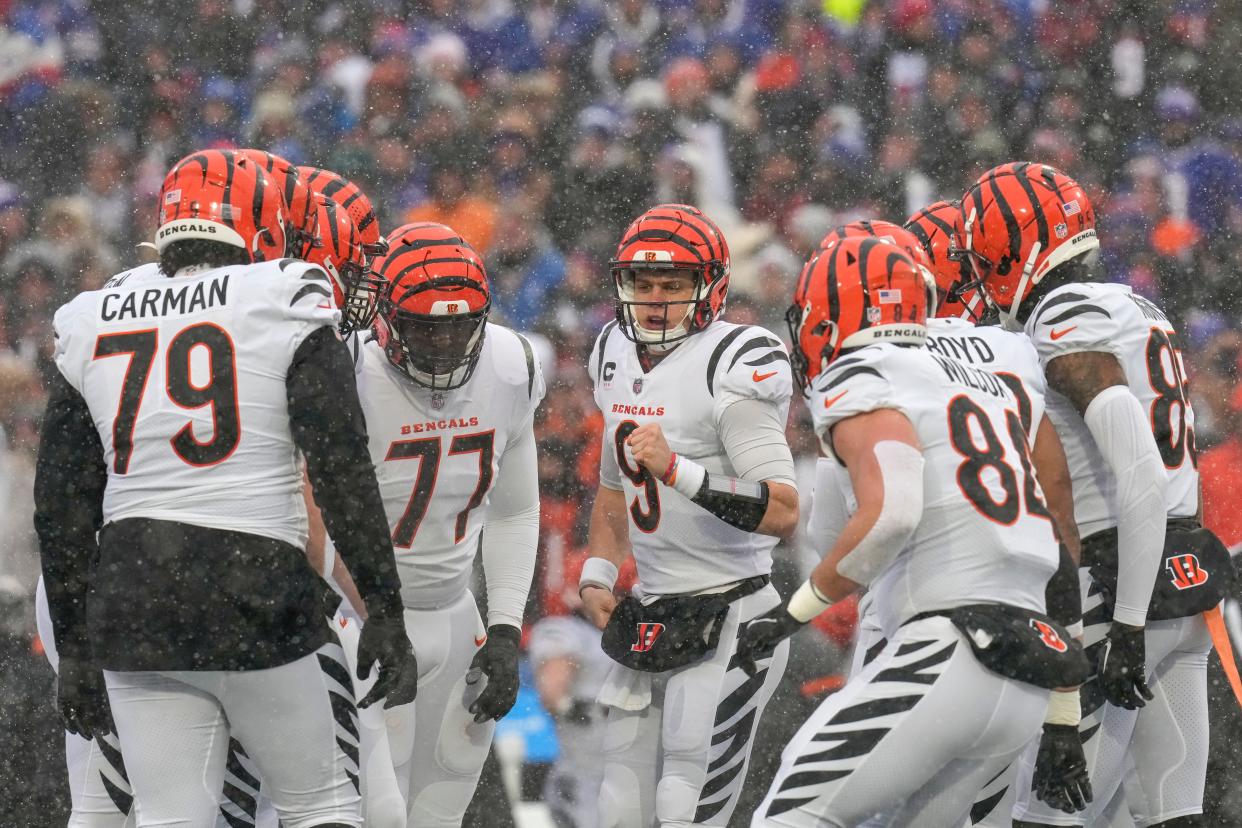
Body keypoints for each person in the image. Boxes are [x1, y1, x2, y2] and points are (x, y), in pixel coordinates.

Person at [34, 149, 419, 828]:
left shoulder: (93, 312)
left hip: (129, 594)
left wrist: (74, 644)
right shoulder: (287, 293)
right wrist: (385, 605)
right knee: (323, 804)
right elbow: (340, 467)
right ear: (264, 224)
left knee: (167, 816)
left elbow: (62, 505)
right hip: (251, 589)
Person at [740, 235, 1083, 827]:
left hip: (950, 647)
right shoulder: (995, 377)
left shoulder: (866, 371)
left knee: (793, 812)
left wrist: (790, 614)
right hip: (1030, 667)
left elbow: (891, 513)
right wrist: (1063, 716)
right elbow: (1059, 534)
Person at [959, 161, 1228, 828]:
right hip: (1186, 580)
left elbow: (1135, 467)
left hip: (1120, 584)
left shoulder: (1065, 317)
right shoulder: (1134, 305)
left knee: (1045, 815)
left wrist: (1129, 623)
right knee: (1171, 814)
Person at [578, 203, 799, 827]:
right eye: (642, 284)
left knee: (686, 805)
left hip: (733, 609)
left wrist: (681, 472)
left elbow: (782, 510)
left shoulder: (734, 357)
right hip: (651, 605)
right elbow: (614, 482)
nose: (654, 301)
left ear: (710, 289)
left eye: (672, 286)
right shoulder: (613, 350)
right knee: (618, 808)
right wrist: (599, 569)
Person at [357, 221, 544, 826]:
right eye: (424, 328)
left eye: (459, 327)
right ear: (384, 317)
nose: (443, 345)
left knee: (441, 811)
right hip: (357, 619)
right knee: (374, 814)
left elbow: (515, 509)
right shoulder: (344, 370)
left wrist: (508, 629)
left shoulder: (511, 364)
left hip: (457, 615)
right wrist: (373, 618)